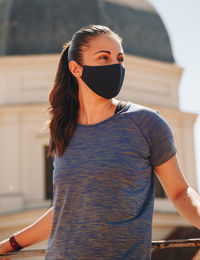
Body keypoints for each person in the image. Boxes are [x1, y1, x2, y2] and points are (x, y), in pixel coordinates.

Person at [0, 24, 200, 259]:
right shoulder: (63, 129)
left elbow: (179, 192)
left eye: (119, 58)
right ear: (76, 68)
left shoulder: (146, 123)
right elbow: (68, 207)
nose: (115, 65)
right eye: (103, 58)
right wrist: (10, 244)